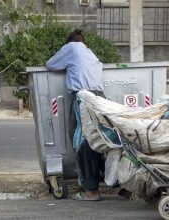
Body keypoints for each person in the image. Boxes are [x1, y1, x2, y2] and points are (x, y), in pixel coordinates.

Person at [46, 29, 105, 201]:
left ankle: (91, 190)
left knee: (82, 141)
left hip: (83, 98)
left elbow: (51, 64)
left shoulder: (72, 47)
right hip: (100, 98)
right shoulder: (90, 52)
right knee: (100, 140)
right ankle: (116, 182)